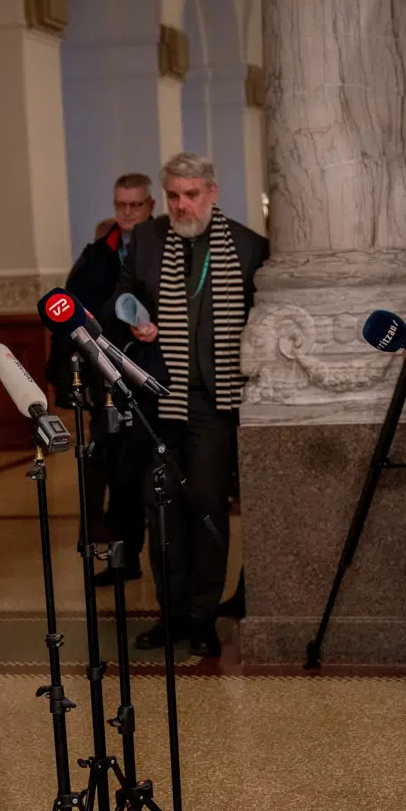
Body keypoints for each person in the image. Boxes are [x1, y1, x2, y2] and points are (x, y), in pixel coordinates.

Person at [112, 152, 269, 657]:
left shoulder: (248, 247)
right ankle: (171, 614)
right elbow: (124, 294)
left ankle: (202, 616)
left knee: (206, 509)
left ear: (212, 192)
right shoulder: (148, 240)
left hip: (215, 404)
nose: (182, 205)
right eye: (175, 195)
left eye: (191, 195)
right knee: (161, 508)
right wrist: (134, 316)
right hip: (159, 400)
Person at [56, 172, 156, 587]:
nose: (128, 213)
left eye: (136, 205)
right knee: (114, 474)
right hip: (107, 383)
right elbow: (69, 316)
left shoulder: (164, 249)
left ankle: (167, 574)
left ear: (150, 206)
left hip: (154, 377)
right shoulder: (97, 254)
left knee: (150, 475)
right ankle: (122, 558)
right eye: (121, 206)